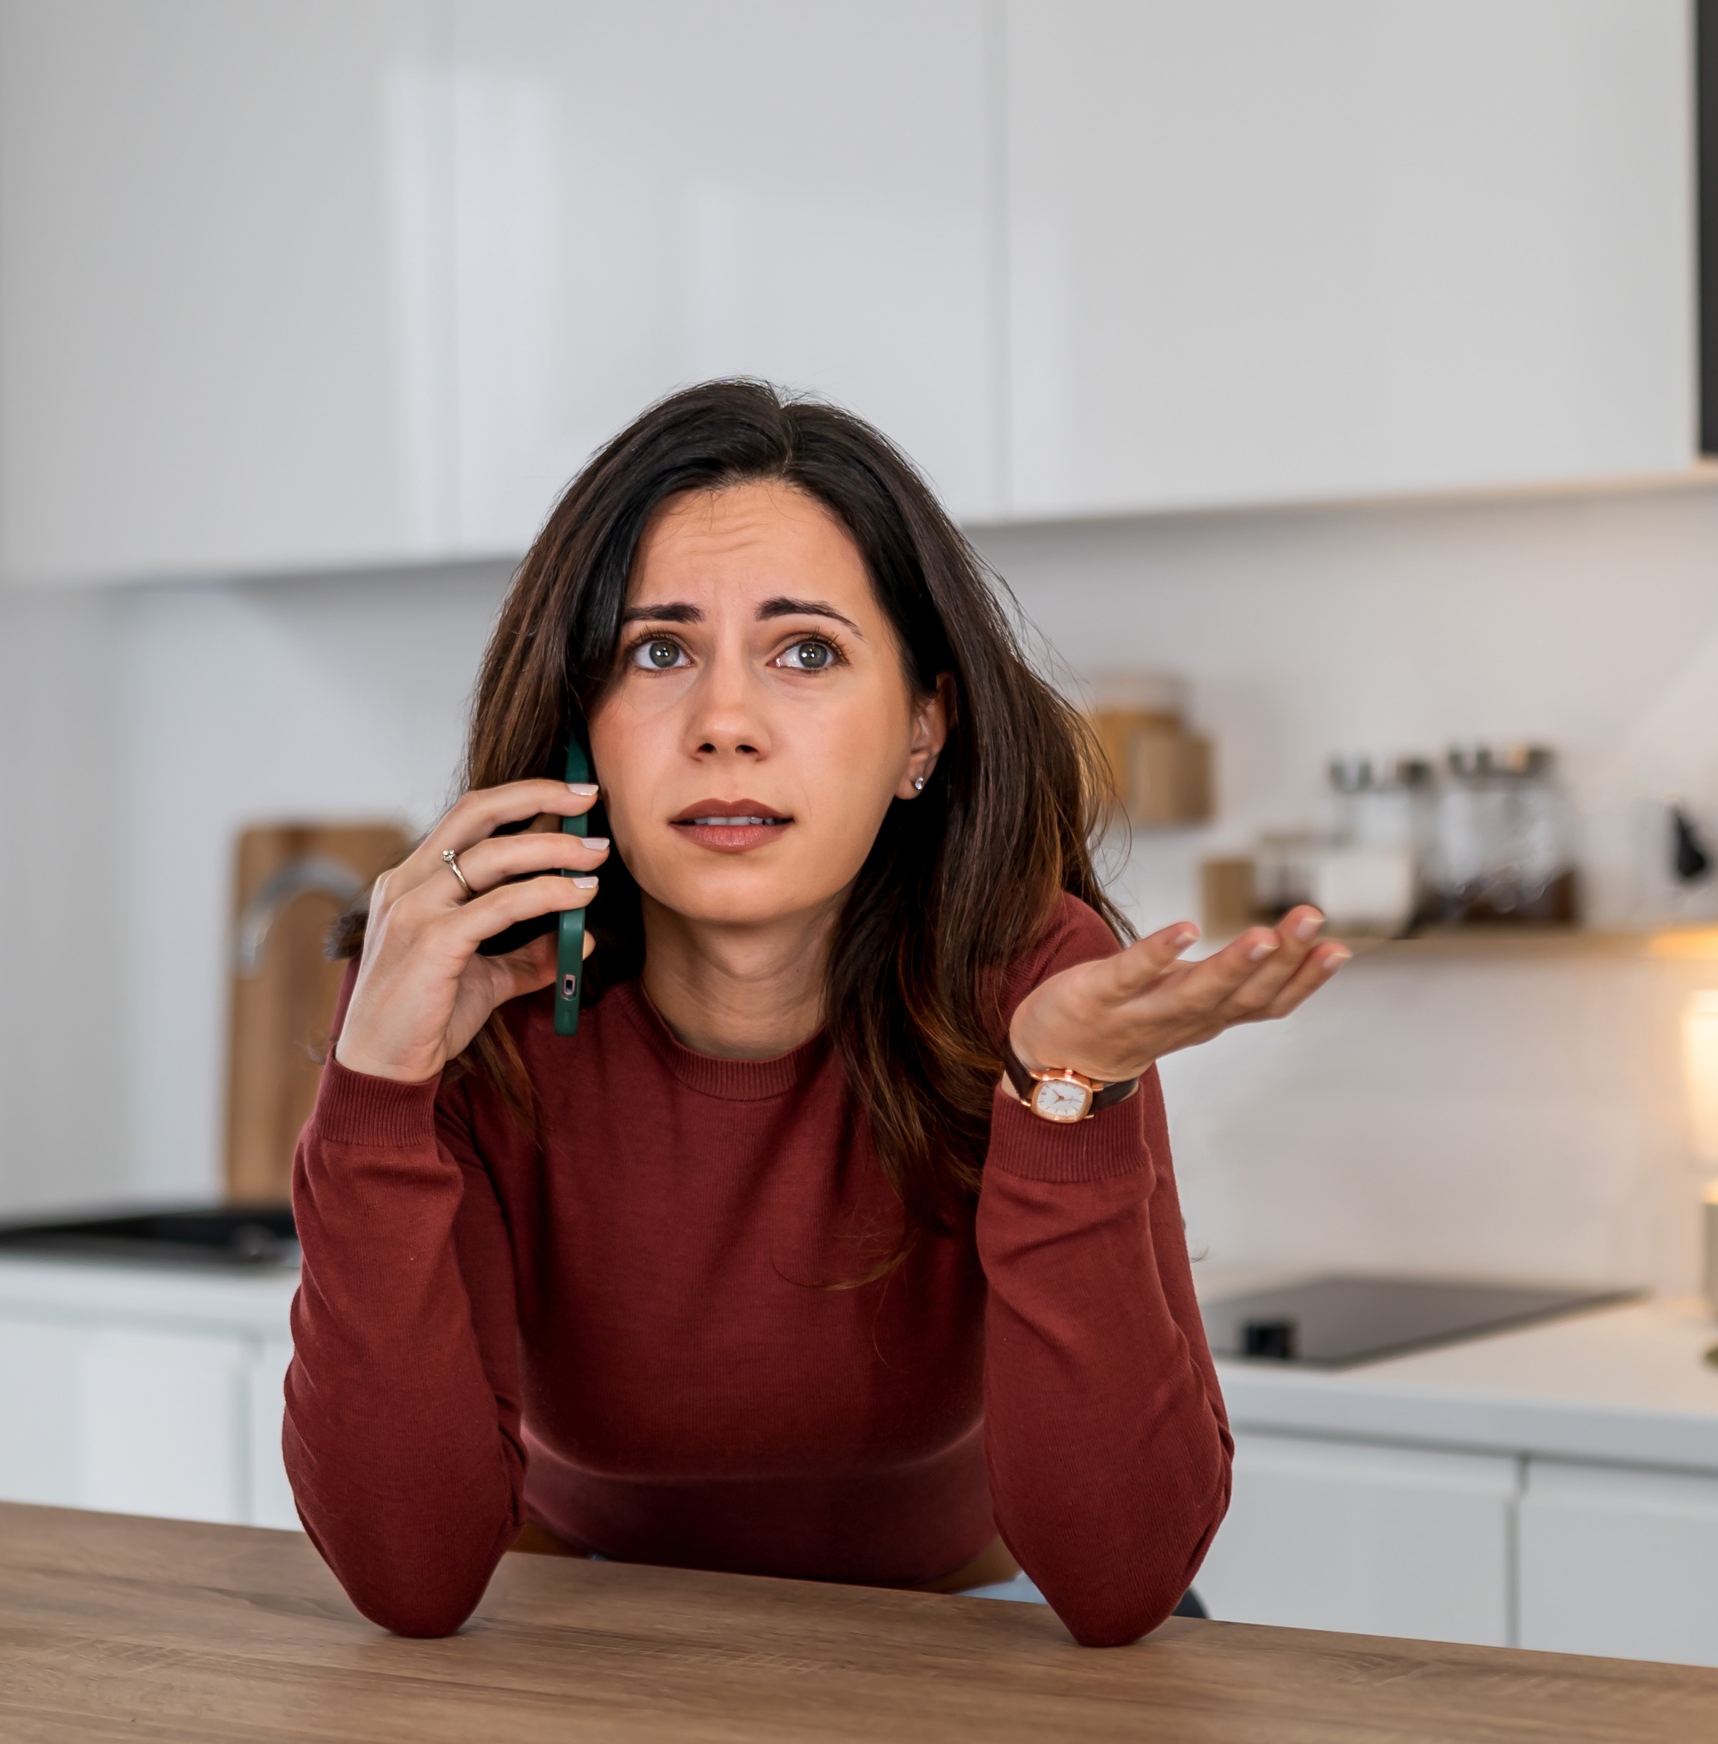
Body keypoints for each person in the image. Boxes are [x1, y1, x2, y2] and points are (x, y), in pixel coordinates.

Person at [284, 380, 1344, 1647]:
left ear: (921, 730)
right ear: (582, 731)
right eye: (656, 651)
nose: (724, 724)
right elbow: (408, 1579)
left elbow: (1120, 1582)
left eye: (805, 653)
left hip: (963, 1645)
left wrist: (1064, 1093)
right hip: (595, 1641)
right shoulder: (456, 994)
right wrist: (375, 1093)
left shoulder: (1030, 982)